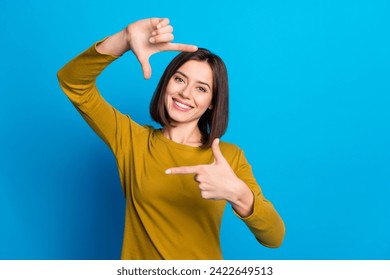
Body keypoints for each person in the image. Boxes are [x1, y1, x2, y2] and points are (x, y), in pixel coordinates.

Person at [57, 17, 285, 260]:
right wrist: (123, 39)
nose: (185, 93)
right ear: (166, 83)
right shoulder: (132, 140)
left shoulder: (228, 156)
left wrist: (240, 195)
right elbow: (73, 82)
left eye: (201, 88)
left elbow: (274, 237)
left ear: (212, 103)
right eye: (179, 79)